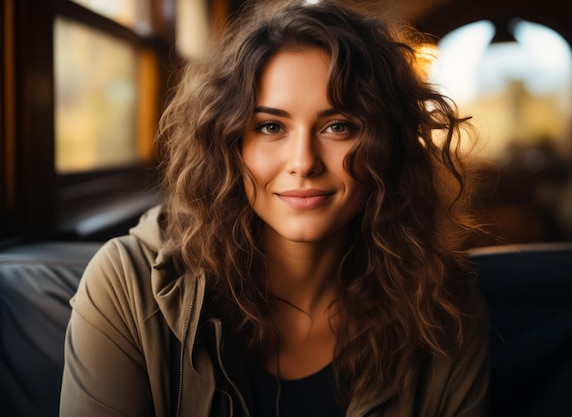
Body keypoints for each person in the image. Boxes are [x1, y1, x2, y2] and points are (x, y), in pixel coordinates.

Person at [60, 0, 490, 416]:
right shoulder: (127, 285)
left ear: (389, 146)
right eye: (270, 127)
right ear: (229, 145)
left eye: (338, 126)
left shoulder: (441, 305)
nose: (303, 161)